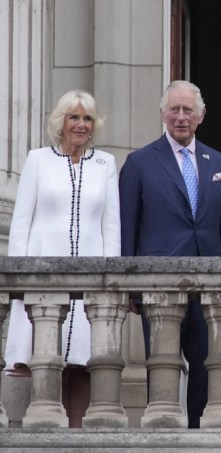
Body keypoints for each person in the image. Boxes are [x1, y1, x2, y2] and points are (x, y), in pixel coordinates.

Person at [119, 80, 221, 428]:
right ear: (163, 113)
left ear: (201, 115)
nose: (181, 117)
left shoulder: (219, 162)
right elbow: (128, 229)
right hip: (160, 285)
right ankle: (162, 435)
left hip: (208, 284)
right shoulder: (138, 162)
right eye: (174, 110)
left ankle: (198, 436)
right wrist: (131, 287)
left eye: (188, 110)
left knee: (206, 366)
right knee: (163, 366)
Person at [5, 89, 120, 427]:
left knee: (83, 363)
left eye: (86, 118)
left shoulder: (105, 164)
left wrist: (111, 281)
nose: (81, 124)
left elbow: (111, 227)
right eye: (74, 117)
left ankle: (78, 439)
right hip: (42, 276)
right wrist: (17, 280)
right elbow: (21, 223)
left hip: (90, 279)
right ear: (61, 122)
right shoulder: (38, 160)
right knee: (43, 359)